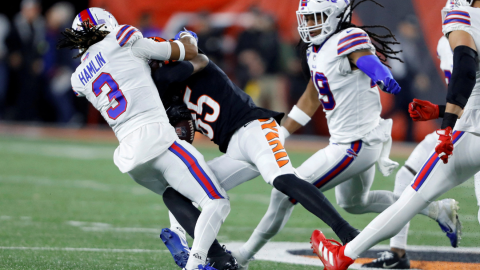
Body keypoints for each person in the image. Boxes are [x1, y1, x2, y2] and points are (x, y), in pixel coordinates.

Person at [146, 34, 360, 269]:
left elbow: (182, 64)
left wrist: (154, 74)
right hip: (234, 147)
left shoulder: (189, 65)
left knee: (282, 178)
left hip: (255, 128)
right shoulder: (168, 86)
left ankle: (347, 231)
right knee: (175, 193)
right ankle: (219, 257)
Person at [312, 0, 480, 269]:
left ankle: (343, 255)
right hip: (471, 124)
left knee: (412, 198)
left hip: (470, 132)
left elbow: (466, 68)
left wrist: (447, 122)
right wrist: (439, 110)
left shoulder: (463, 16)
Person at [58, 8, 229, 270]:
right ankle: (195, 265)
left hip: (131, 158)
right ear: (108, 27)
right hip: (158, 140)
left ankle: (183, 242)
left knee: (181, 194)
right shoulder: (123, 39)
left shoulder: (78, 78)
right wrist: (189, 38)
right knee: (216, 202)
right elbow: (187, 53)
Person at [361, 1, 472, 268]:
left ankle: (348, 253)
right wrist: (438, 111)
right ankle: (397, 254)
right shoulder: (444, 43)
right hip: (461, 128)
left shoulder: (468, 38)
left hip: (471, 132)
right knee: (405, 176)